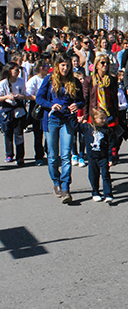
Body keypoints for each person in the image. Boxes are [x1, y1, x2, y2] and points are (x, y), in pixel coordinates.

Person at [36, 53, 84, 203]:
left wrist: (77, 105)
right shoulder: (49, 80)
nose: (65, 68)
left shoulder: (74, 81)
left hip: (67, 121)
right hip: (51, 120)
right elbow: (39, 98)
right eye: (62, 65)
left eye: (68, 65)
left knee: (66, 156)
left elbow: (82, 100)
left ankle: (65, 187)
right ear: (57, 66)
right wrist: (51, 105)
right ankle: (56, 182)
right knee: (52, 156)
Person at [79, 108, 115, 203]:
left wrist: (111, 158)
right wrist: (73, 116)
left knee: (105, 175)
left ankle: (108, 194)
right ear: (94, 119)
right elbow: (75, 126)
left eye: (104, 118)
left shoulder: (107, 131)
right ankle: (95, 192)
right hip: (92, 157)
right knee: (93, 175)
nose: (103, 120)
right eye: (101, 118)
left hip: (103, 157)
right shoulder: (87, 128)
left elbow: (111, 145)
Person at [0, 61, 29, 165]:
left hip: (19, 111)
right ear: (9, 71)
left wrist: (21, 97)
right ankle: (9, 154)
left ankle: (20, 156)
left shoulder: (21, 81)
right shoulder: (3, 83)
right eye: (15, 70)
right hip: (7, 111)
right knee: (8, 133)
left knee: (19, 134)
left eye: (18, 70)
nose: (17, 72)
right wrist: (7, 97)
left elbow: (25, 94)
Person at [26, 60, 50, 166]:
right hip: (37, 108)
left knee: (49, 132)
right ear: (41, 68)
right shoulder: (34, 80)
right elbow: (28, 95)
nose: (48, 68)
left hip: (48, 107)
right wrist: (40, 99)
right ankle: (39, 156)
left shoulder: (49, 78)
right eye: (46, 66)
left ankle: (49, 152)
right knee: (38, 133)